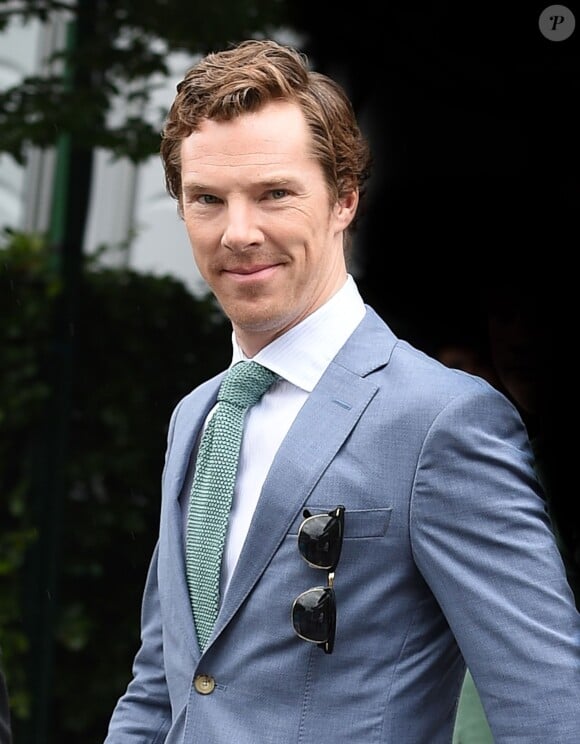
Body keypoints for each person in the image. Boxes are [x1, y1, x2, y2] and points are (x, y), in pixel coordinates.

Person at [104, 38, 580, 743]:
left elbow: (546, 709)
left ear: (344, 201)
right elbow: (163, 687)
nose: (238, 233)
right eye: (208, 199)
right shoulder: (198, 415)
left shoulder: (442, 419)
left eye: (274, 194)